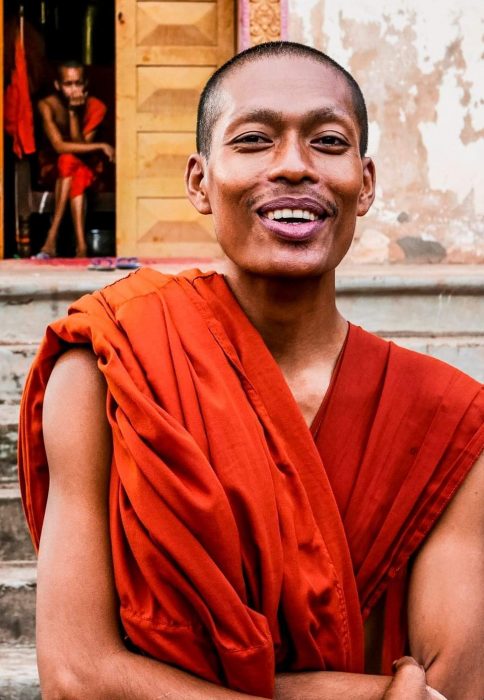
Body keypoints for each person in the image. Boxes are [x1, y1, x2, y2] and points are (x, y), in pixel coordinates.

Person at [19, 42, 483, 699]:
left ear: (366, 182)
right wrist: (369, 694)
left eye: (326, 141)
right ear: (199, 182)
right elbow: (77, 676)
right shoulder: (107, 369)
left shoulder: (445, 421)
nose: (294, 166)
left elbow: (454, 690)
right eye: (255, 139)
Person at [35, 60, 115, 258]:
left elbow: (82, 148)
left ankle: (51, 240)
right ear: (58, 85)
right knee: (66, 160)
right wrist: (101, 145)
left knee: (70, 162)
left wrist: (73, 113)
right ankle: (81, 247)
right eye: (68, 84)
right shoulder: (46, 105)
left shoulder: (97, 107)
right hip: (52, 171)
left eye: (78, 84)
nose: (73, 89)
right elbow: (59, 146)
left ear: (85, 84)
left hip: (88, 168)